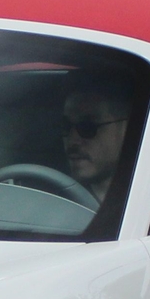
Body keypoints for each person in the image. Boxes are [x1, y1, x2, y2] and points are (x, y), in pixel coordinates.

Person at [58, 75, 139, 207]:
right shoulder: (47, 198)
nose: (72, 140)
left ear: (127, 130)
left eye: (88, 127)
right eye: (65, 126)